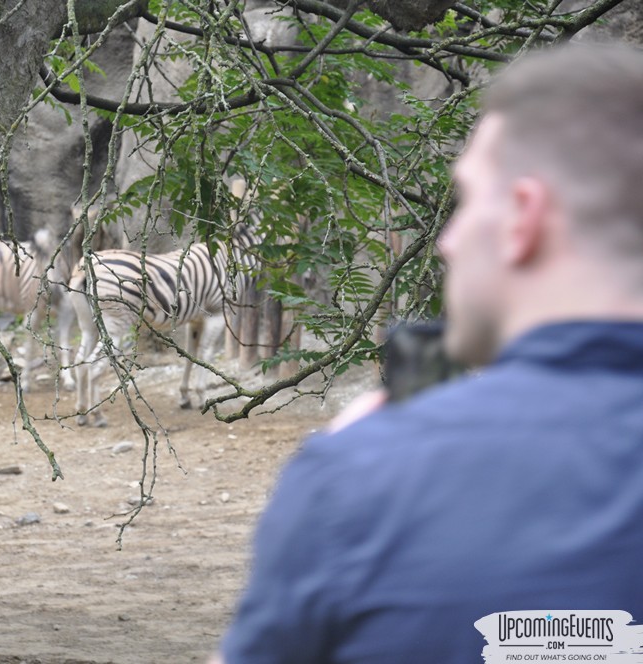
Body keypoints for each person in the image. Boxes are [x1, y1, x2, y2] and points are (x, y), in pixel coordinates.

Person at [214, 43, 643, 663]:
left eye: (468, 200)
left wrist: (361, 462)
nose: (447, 241)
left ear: (524, 217)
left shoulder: (360, 477)